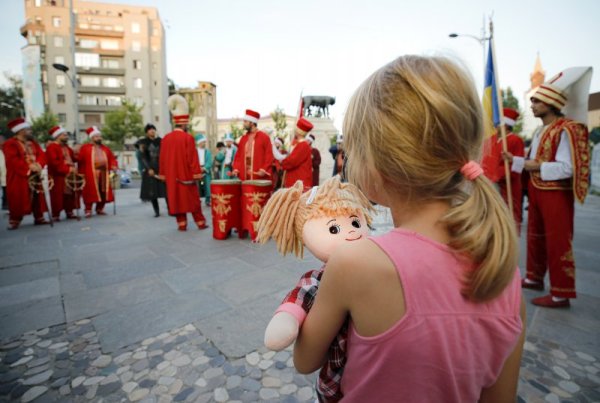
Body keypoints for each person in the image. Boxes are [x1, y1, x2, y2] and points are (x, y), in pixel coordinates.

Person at [294, 56, 525, 402]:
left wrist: (310, 290)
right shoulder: (506, 276)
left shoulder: (355, 263)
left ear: (377, 164)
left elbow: (305, 359)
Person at [503, 71, 592, 308]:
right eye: (532, 100)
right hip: (537, 189)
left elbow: (567, 168)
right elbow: (532, 163)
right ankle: (534, 277)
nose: (532, 105)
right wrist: (514, 160)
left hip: (556, 194)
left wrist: (535, 166)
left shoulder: (567, 129)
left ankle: (561, 293)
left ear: (552, 104)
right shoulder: (540, 131)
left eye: (537, 101)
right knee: (535, 236)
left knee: (557, 241)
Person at [159, 94, 207, 231]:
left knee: (176, 200)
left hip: (172, 177)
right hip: (186, 177)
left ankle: (182, 224)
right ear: (184, 123)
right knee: (192, 200)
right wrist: (197, 173)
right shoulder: (188, 138)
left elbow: (162, 158)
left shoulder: (166, 139)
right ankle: (200, 222)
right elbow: (192, 159)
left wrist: (163, 174)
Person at [481, 107, 525, 234]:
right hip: (490, 183)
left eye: (498, 123)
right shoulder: (491, 139)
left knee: (508, 217)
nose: (496, 125)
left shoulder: (516, 140)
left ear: (505, 125)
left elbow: (517, 166)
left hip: (507, 186)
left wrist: (496, 174)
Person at [3, 117, 49, 229]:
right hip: (19, 176)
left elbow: (42, 155)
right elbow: (12, 160)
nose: (30, 131)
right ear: (21, 130)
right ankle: (15, 220)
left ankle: (39, 217)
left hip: (35, 174)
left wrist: (38, 165)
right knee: (18, 197)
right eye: (28, 129)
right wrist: (29, 167)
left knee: (37, 195)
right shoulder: (10, 143)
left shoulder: (33, 143)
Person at [78, 126, 118, 218]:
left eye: (100, 136)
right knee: (89, 192)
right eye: (96, 136)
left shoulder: (106, 148)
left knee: (103, 191)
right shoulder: (85, 148)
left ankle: (100, 208)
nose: (99, 138)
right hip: (91, 174)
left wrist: (114, 165)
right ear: (92, 138)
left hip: (104, 173)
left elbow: (112, 159)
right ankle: (88, 210)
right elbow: (80, 160)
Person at [45, 126, 79, 220]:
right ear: (58, 136)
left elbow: (74, 158)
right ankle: (56, 214)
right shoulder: (52, 147)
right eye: (64, 135)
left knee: (69, 194)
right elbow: (54, 163)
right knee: (57, 195)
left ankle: (69, 211)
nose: (66, 136)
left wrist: (78, 152)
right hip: (58, 176)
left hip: (69, 175)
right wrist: (68, 169)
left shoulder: (66, 147)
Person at [231, 109, 274, 181]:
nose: (243, 124)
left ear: (252, 123)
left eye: (245, 121)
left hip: (258, 178)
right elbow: (238, 156)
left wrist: (264, 169)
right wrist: (236, 168)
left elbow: (269, 156)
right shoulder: (243, 139)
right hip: (244, 178)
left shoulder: (264, 137)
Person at [136, 123, 166, 217]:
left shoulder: (161, 141)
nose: (152, 130)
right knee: (152, 192)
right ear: (146, 132)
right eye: (150, 129)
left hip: (161, 167)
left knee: (166, 190)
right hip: (150, 167)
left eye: (153, 129)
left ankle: (170, 209)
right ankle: (156, 211)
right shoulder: (143, 142)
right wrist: (148, 168)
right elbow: (143, 157)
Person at [280, 117, 314, 190]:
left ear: (298, 131)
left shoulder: (303, 145)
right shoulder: (299, 144)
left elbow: (291, 161)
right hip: (296, 182)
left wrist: (282, 162)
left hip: (298, 183)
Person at [195, 134, 212, 206]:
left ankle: (208, 200)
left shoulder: (207, 152)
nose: (204, 143)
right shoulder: (194, 151)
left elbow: (209, 161)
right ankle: (197, 200)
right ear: (199, 143)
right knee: (197, 186)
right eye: (203, 142)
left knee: (207, 186)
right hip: (197, 170)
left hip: (206, 171)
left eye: (205, 142)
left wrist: (204, 168)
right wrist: (197, 168)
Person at [0, 134, 7, 210]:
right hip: (3, 175)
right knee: (5, 190)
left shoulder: (6, 150)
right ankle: (5, 205)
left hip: (8, 174)